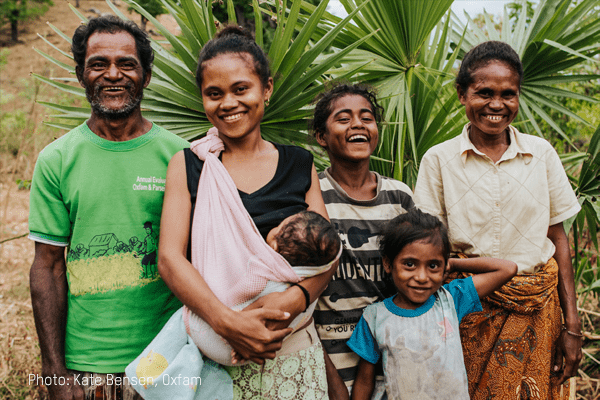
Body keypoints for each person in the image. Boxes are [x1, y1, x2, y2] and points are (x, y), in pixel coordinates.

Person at [157, 25, 337, 399]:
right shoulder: (189, 165)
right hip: (216, 355)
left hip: (291, 354)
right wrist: (229, 324)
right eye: (214, 93)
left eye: (241, 89)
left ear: (266, 89)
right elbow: (171, 260)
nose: (228, 103)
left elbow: (328, 253)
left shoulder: (298, 163)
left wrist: (292, 300)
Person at [28, 15, 189, 400]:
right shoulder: (57, 159)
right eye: (98, 64)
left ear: (146, 75)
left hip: (169, 355)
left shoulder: (181, 156)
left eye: (127, 64)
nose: (113, 74)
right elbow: (47, 265)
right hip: (87, 365)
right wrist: (54, 372)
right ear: (81, 74)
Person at [413, 40, 583, 399]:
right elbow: (428, 245)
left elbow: (559, 238)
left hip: (538, 310)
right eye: (484, 92)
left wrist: (572, 324)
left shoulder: (541, 154)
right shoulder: (439, 160)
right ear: (462, 94)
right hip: (466, 311)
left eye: (508, 94)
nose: (496, 104)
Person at [310, 83, 414, 398]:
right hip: (328, 362)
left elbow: (418, 281)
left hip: (395, 361)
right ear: (321, 137)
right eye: (344, 118)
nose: (358, 124)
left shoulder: (400, 197)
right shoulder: (311, 195)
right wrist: (330, 377)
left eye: (366, 117)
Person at [347, 208, 517, 400]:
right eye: (410, 264)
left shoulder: (450, 300)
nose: (422, 277)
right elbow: (364, 381)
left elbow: (507, 269)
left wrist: (451, 263)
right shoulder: (375, 318)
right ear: (388, 264)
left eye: (433, 265)